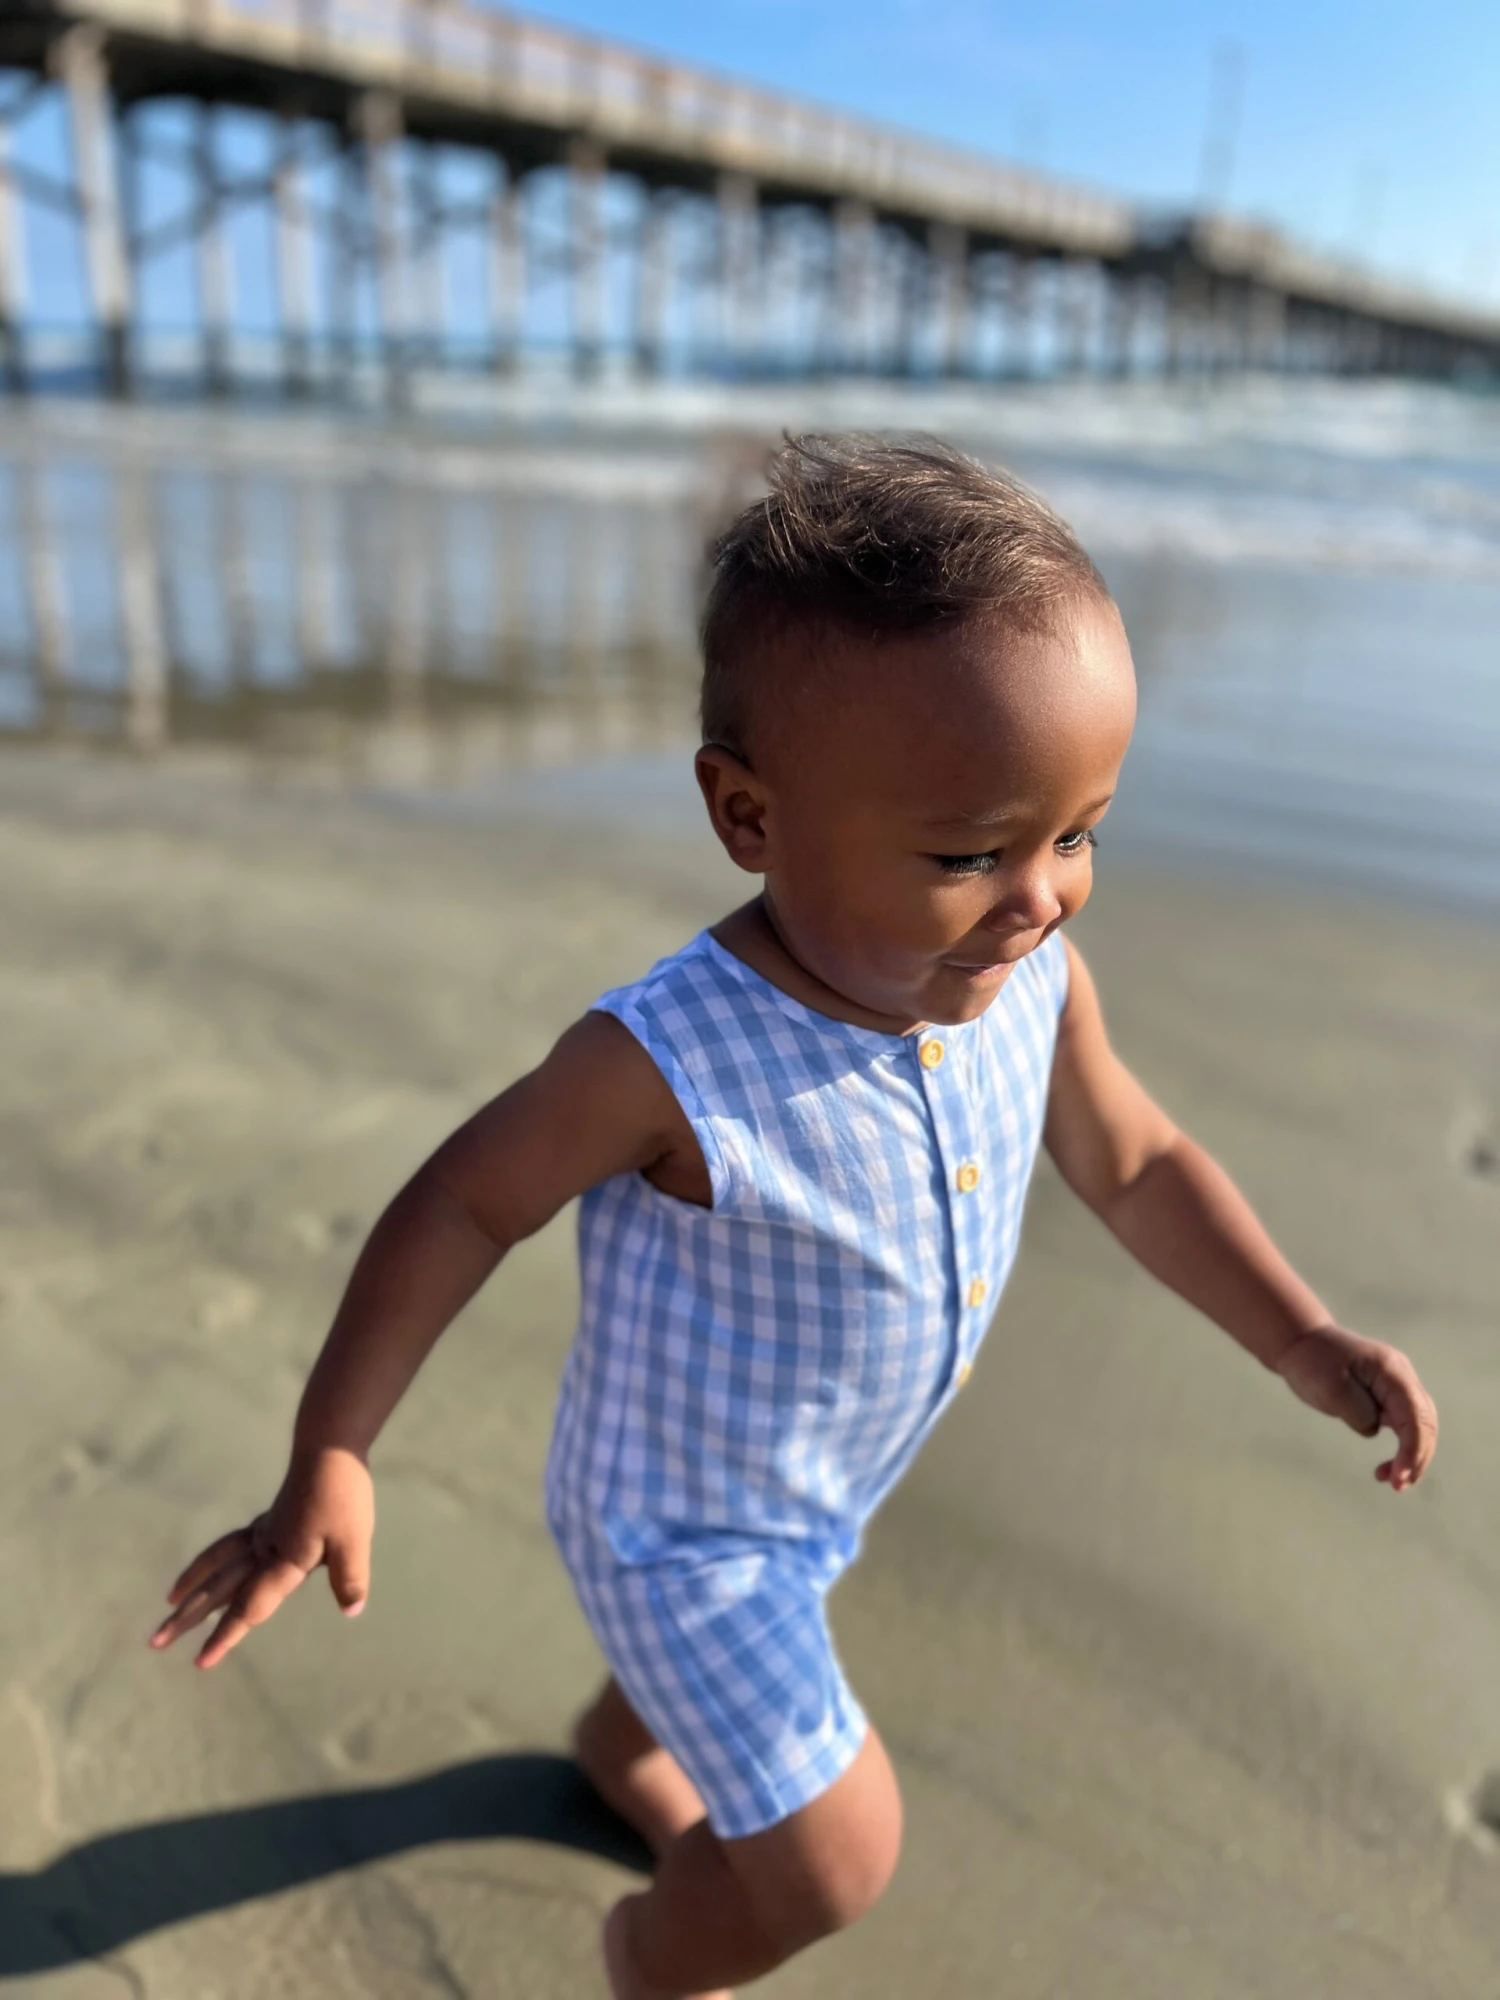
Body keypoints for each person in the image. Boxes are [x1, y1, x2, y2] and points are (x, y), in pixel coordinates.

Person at [151, 435, 1439, 2000]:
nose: (1039, 898)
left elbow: (1134, 1161)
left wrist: (1296, 1334)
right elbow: (462, 1205)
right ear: (749, 816)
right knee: (837, 1854)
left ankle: (625, 1745)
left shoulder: (1028, 979)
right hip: (679, 1530)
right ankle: (652, 1962)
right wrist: (335, 1452)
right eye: (970, 855)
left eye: (1078, 833)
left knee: (727, 1735)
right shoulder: (667, 1060)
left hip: (824, 1480)